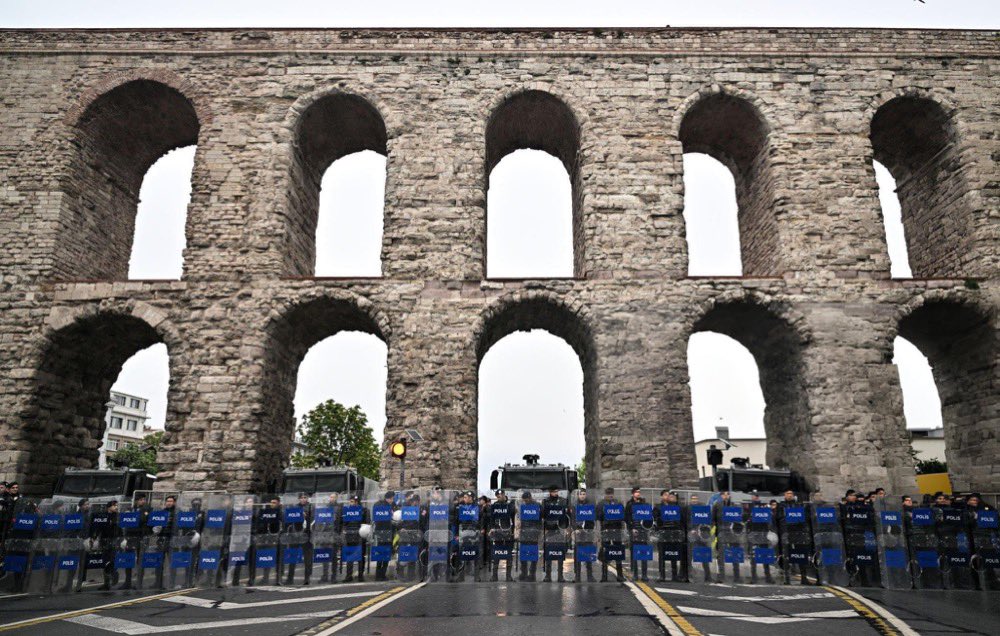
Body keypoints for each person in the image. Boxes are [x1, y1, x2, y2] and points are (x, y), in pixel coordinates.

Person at [655, 489, 687, 583]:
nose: (668, 496)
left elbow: (682, 520)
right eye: (666, 495)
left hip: (674, 533)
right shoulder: (658, 507)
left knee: (673, 553)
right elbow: (656, 520)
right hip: (663, 533)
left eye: (669, 495)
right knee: (662, 555)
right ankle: (662, 575)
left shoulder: (676, 507)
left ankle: (674, 575)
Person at [283, 492, 313, 585]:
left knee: (308, 557)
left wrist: (306, 516)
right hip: (295, 534)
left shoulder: (311, 507)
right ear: (299, 499)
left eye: (305, 497)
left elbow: (313, 519)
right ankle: (290, 578)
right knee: (292, 556)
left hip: (306, 534)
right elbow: (288, 519)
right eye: (301, 498)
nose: (303, 499)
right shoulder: (295, 507)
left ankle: (307, 578)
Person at [250, 497, 281, 586]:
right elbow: (259, 523)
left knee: (271, 557)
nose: (272, 504)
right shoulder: (264, 512)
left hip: (274, 538)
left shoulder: (279, 512)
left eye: (274, 502)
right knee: (260, 557)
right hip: (263, 537)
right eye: (271, 502)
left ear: (278, 503)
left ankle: (272, 578)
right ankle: (254, 578)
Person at [542, 485, 569, 582]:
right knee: (548, 552)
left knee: (560, 553)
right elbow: (543, 515)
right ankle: (548, 576)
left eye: (557, 491)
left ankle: (560, 576)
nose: (555, 493)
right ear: (550, 492)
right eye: (553, 491)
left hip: (560, 529)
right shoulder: (546, 501)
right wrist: (544, 528)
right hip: (549, 530)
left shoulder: (563, 501)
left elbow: (566, 516)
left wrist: (565, 528)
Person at [598, 488, 625, 582]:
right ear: (605, 494)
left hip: (616, 529)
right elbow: (598, 517)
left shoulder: (618, 503)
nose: (610, 495)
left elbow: (623, 515)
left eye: (611, 494)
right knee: (605, 552)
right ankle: (604, 576)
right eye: (608, 494)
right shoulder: (601, 504)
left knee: (618, 551)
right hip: (606, 530)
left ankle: (620, 575)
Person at [488, 490, 515, 581]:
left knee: (508, 554)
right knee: (496, 554)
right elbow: (491, 519)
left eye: (501, 495)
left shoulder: (509, 506)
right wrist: (491, 528)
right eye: (498, 496)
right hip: (497, 532)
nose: (500, 497)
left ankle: (508, 576)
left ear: (504, 495)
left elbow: (514, 519)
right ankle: (494, 576)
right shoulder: (494, 506)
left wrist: (514, 531)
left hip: (508, 532)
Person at [571, 488, 598, 583]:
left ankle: (590, 576)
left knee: (588, 553)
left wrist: (590, 529)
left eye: (584, 494)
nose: (582, 495)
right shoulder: (574, 506)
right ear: (578, 495)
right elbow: (572, 519)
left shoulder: (590, 506)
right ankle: (577, 576)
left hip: (588, 532)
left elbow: (592, 519)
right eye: (581, 494)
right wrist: (576, 529)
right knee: (578, 554)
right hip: (579, 532)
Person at [456, 490, 482, 582]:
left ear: (471, 498)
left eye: (466, 497)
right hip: (463, 532)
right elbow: (457, 521)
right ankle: (461, 575)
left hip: (474, 532)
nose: (464, 499)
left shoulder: (477, 507)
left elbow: (482, 519)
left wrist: (481, 529)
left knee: (475, 554)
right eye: (464, 497)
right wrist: (456, 534)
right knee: (462, 554)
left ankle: (476, 576)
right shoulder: (461, 507)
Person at [342, 494, 369, 583]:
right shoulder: (346, 510)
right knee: (350, 555)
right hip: (349, 535)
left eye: (353, 501)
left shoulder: (363, 510)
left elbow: (366, 523)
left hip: (359, 534)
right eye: (351, 501)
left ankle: (360, 575)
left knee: (360, 556)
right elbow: (343, 523)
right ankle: (348, 575)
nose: (351, 503)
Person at [625, 487, 649, 581]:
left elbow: (648, 517)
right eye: (636, 492)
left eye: (639, 492)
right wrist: (631, 528)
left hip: (643, 531)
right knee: (634, 553)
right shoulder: (629, 504)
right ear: (632, 494)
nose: (638, 494)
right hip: (634, 531)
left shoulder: (644, 504)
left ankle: (644, 574)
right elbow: (627, 518)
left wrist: (647, 528)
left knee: (644, 553)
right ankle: (635, 574)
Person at [316, 492, 341, 584]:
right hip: (325, 534)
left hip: (334, 534)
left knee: (334, 557)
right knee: (325, 556)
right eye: (331, 497)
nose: (332, 499)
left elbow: (340, 522)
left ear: (336, 498)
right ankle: (325, 575)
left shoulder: (339, 508)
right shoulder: (326, 508)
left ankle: (333, 576)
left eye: (334, 497)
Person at [372, 491, 396, 582]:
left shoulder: (379, 505)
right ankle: (381, 574)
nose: (392, 500)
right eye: (392, 498)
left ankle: (380, 575)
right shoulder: (383, 506)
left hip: (382, 532)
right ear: (388, 498)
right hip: (385, 531)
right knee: (385, 553)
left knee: (382, 553)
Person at [517, 491, 541, 582]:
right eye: (524, 500)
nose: (525, 501)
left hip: (533, 531)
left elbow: (541, 518)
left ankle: (532, 574)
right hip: (524, 531)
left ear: (530, 497)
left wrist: (538, 530)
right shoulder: (522, 506)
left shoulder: (537, 505)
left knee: (533, 553)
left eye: (526, 499)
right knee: (523, 553)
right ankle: (523, 573)